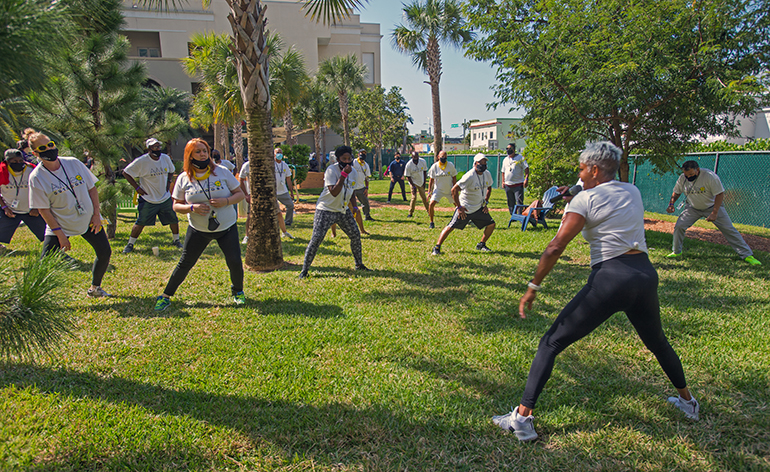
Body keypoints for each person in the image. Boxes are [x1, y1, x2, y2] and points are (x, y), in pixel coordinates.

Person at [493, 142, 699, 442]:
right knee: (658, 343)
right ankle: (689, 402)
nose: (579, 174)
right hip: (644, 276)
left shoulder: (584, 201)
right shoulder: (632, 190)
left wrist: (532, 287)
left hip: (610, 279)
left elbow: (555, 246)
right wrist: (574, 192)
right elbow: (598, 194)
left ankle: (522, 419)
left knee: (550, 343)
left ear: (593, 169)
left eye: (580, 169)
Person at [154, 138, 246, 312]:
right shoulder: (183, 178)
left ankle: (238, 292)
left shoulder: (222, 172)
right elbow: (176, 205)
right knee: (185, 262)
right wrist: (191, 208)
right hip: (199, 230)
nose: (203, 154)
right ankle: (165, 296)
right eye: (198, 151)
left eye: (205, 150)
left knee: (234, 261)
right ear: (189, 155)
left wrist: (226, 201)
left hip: (226, 227)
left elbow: (239, 194)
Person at [26, 129, 112, 298]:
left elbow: (92, 189)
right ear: (35, 153)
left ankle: (95, 288)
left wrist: (96, 215)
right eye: (43, 148)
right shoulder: (37, 177)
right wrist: (60, 234)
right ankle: (34, 298)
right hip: (61, 226)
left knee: (104, 252)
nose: (49, 149)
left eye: (50, 144)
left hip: (88, 220)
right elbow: (43, 209)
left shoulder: (72, 163)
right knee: (46, 263)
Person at [666, 160, 760, 265]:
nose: (689, 177)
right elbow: (677, 192)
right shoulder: (682, 178)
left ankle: (747, 255)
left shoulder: (710, 176)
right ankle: (676, 252)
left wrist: (715, 213)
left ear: (697, 170)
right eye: (687, 175)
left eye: (691, 174)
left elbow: (720, 194)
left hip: (712, 206)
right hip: (692, 207)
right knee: (679, 226)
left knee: (729, 230)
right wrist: (671, 204)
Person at [298, 145, 371, 279]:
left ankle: (359, 265)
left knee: (355, 234)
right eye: (344, 159)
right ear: (338, 159)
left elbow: (352, 191)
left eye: (349, 158)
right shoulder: (331, 170)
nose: (347, 161)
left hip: (342, 210)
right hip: (325, 210)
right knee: (316, 239)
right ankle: (304, 270)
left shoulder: (353, 172)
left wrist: (354, 207)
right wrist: (343, 175)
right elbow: (334, 192)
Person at [121, 138, 182, 253]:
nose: (157, 149)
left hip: (164, 197)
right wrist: (137, 188)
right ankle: (130, 244)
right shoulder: (141, 161)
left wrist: (169, 181)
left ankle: (176, 240)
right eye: (154, 147)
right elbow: (126, 172)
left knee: (173, 219)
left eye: (159, 146)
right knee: (140, 222)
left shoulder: (165, 158)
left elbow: (171, 170)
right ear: (149, 149)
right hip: (148, 198)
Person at [431, 153, 495, 255]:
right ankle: (437, 247)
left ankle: (481, 244)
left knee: (491, 224)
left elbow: (489, 187)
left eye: (484, 162)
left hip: (479, 208)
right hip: (466, 208)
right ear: (475, 164)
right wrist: (459, 207)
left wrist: (485, 202)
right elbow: (454, 190)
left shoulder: (487, 174)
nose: (483, 165)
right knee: (451, 226)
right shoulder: (469, 176)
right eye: (480, 162)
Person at [238, 156, 293, 244]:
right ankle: (247, 236)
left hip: (269, 193)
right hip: (254, 195)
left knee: (278, 212)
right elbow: (241, 179)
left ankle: (284, 232)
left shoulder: (268, 164)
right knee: (250, 215)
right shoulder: (247, 165)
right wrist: (246, 195)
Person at [0, 149, 46, 252]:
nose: (18, 163)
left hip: (31, 211)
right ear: (7, 162)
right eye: (14, 162)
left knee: (47, 233)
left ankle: (55, 249)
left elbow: (42, 190)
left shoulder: (32, 170)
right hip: (10, 210)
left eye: (20, 161)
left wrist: (36, 207)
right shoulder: (1, 172)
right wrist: (4, 207)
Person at [427, 150, 458, 229]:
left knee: (458, 205)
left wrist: (454, 188)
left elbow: (454, 177)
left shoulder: (450, 165)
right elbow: (431, 179)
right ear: (438, 157)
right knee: (431, 204)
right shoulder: (434, 166)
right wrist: (429, 192)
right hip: (438, 190)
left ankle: (464, 219)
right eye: (442, 157)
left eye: (445, 157)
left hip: (449, 189)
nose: (443, 158)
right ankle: (431, 222)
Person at [500, 143, 529, 214]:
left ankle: (519, 215)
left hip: (518, 184)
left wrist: (526, 179)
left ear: (514, 149)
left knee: (519, 201)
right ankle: (513, 215)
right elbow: (503, 171)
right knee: (510, 201)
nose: (508, 150)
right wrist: (503, 182)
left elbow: (526, 168)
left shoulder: (520, 158)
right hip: (508, 185)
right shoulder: (505, 159)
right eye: (507, 149)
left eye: (510, 149)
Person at [273, 147, 296, 227]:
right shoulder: (271, 165)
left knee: (290, 205)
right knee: (274, 209)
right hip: (273, 192)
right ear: (274, 154)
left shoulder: (285, 165)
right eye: (277, 152)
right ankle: (275, 223)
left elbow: (288, 179)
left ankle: (288, 222)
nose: (279, 154)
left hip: (283, 191)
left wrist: (291, 192)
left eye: (281, 152)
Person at [351, 149, 374, 221]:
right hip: (352, 187)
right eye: (361, 153)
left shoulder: (366, 165)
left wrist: (366, 188)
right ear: (358, 154)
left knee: (365, 202)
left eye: (364, 153)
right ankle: (350, 217)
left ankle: (367, 216)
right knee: (350, 203)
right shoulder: (353, 162)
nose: (363, 155)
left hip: (361, 187)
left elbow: (367, 178)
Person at [404, 151, 429, 218]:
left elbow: (424, 172)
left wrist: (424, 182)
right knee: (414, 197)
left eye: (417, 157)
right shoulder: (409, 165)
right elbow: (408, 176)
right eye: (414, 157)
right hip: (413, 182)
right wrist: (413, 186)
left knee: (424, 197)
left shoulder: (422, 161)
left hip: (421, 181)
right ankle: (410, 212)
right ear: (412, 157)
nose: (416, 158)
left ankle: (429, 210)